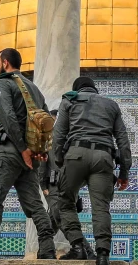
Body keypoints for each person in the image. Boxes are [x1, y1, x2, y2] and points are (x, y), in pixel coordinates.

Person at [0, 48, 56, 260]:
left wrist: (23, 148)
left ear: (5, 63)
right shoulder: (34, 88)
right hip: (30, 158)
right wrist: (39, 150)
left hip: (9, 151)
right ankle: (47, 248)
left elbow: (6, 115)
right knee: (35, 204)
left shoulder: (4, 82)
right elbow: (46, 122)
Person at [52, 76, 131, 265]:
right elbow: (123, 141)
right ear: (94, 89)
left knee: (65, 201)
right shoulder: (111, 105)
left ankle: (78, 247)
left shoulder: (68, 101)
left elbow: (58, 136)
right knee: (101, 207)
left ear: (77, 89)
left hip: (75, 155)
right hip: (104, 158)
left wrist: (59, 160)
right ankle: (103, 254)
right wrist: (124, 173)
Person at [37, 110, 94, 259]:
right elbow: (43, 164)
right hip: (55, 185)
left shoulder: (68, 137)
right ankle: (45, 251)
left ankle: (85, 251)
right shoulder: (51, 137)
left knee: (61, 218)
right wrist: (43, 185)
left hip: (62, 186)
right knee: (54, 220)